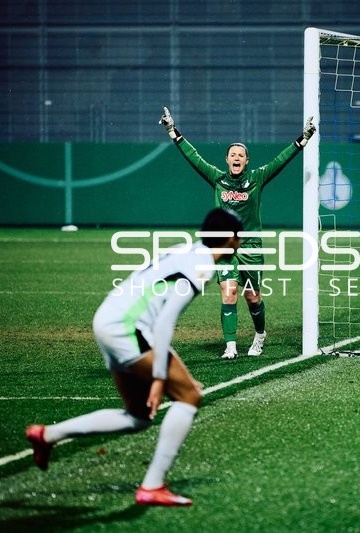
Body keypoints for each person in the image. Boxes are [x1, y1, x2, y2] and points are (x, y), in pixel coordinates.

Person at [26, 208, 243, 507]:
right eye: (239, 237)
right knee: (189, 397)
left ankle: (47, 435)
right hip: (128, 327)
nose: (240, 243)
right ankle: (152, 486)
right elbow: (166, 321)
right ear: (230, 238)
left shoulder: (186, 251)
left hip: (108, 318)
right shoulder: (202, 264)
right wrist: (159, 377)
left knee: (138, 416)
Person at [159, 107, 315, 359]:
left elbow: (280, 161)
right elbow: (194, 157)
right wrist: (172, 131)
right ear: (227, 159)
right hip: (224, 247)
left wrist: (302, 140)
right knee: (229, 292)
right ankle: (230, 345)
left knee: (252, 297)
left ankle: (260, 334)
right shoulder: (218, 179)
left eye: (240, 155)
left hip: (252, 247)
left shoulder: (257, 178)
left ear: (247, 160)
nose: (236, 157)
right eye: (232, 154)